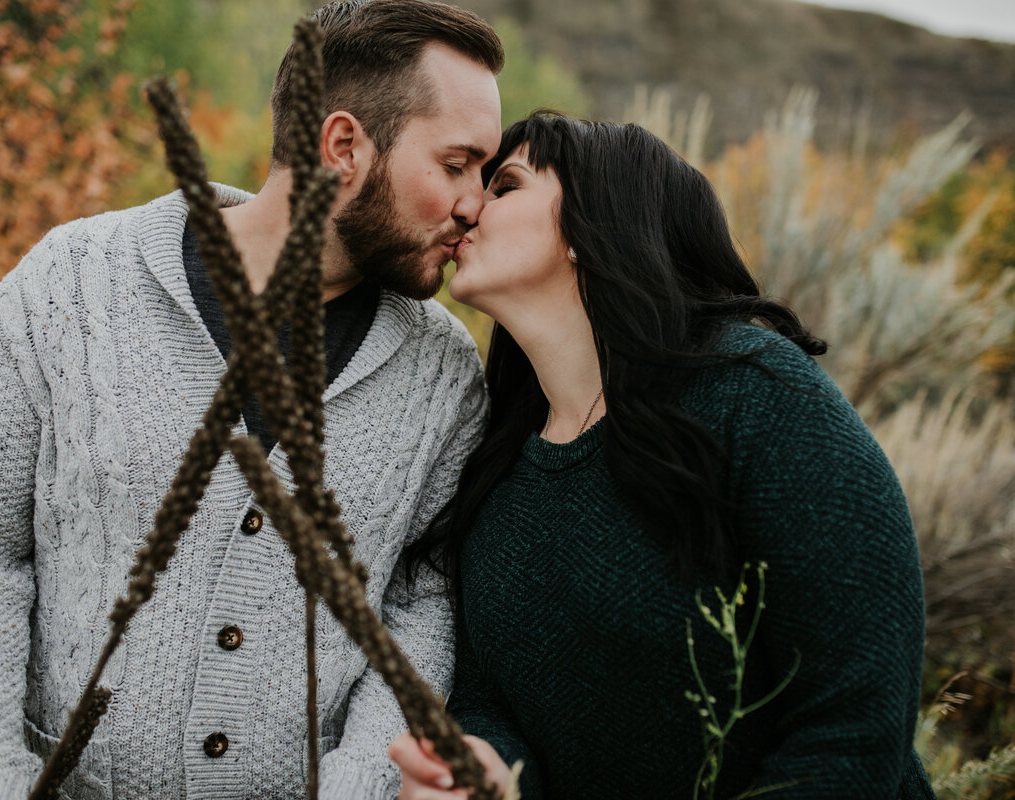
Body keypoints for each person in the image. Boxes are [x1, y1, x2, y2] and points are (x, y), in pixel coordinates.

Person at [0, 1, 503, 797]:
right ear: (344, 145)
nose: (475, 205)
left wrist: (360, 788)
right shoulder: (71, 283)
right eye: (457, 165)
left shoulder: (443, 373)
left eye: (486, 175)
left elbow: (421, 607)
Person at [389, 112, 938, 799]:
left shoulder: (753, 393)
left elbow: (855, 715)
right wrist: (486, 772)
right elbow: (490, 700)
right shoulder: (498, 464)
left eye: (506, 183)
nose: (469, 205)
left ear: (593, 224)